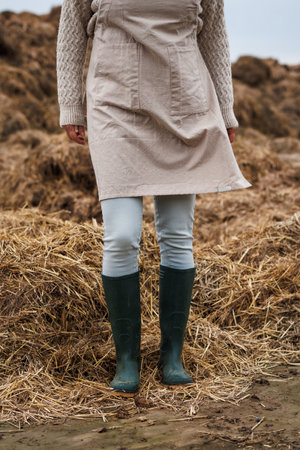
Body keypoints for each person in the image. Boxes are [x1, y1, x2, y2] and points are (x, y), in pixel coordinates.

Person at [56, 0, 252, 397]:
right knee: (123, 236)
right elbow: (72, 29)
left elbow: (213, 36)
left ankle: (172, 355)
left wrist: (226, 110)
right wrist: (70, 104)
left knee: (178, 234)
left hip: (185, 103)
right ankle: (127, 358)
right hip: (115, 103)